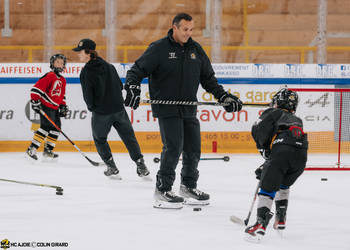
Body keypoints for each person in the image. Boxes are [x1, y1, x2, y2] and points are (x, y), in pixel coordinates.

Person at [125, 13, 243, 209]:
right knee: (173, 146)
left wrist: (223, 97)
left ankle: (188, 186)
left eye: (191, 30)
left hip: (189, 107)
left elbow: (209, 79)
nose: (189, 33)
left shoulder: (195, 49)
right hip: (167, 107)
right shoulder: (159, 48)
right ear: (175, 28)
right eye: (185, 29)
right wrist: (132, 87)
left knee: (193, 148)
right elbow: (136, 71)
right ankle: (163, 189)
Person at [72, 38, 150, 179]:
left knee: (99, 139)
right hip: (119, 110)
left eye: (80, 52)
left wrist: (93, 108)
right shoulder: (109, 66)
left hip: (101, 113)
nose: (78, 55)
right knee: (129, 138)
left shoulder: (86, 72)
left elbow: (88, 96)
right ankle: (141, 165)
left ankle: (111, 167)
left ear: (88, 52)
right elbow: (120, 87)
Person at [245, 88, 308, 242]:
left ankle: (260, 225)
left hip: (282, 150)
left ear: (277, 101)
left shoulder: (272, 112)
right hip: (301, 155)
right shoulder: (297, 119)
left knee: (268, 186)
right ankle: (280, 219)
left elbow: (258, 129)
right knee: (283, 183)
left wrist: (265, 151)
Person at [26, 54, 68, 161]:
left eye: (61, 63)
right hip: (45, 106)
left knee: (56, 128)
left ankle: (48, 150)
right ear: (52, 64)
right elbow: (35, 89)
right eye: (57, 62)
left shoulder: (63, 80)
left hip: (55, 108)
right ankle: (31, 149)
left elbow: (61, 95)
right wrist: (35, 101)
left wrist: (63, 105)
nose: (59, 64)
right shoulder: (49, 75)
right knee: (46, 127)